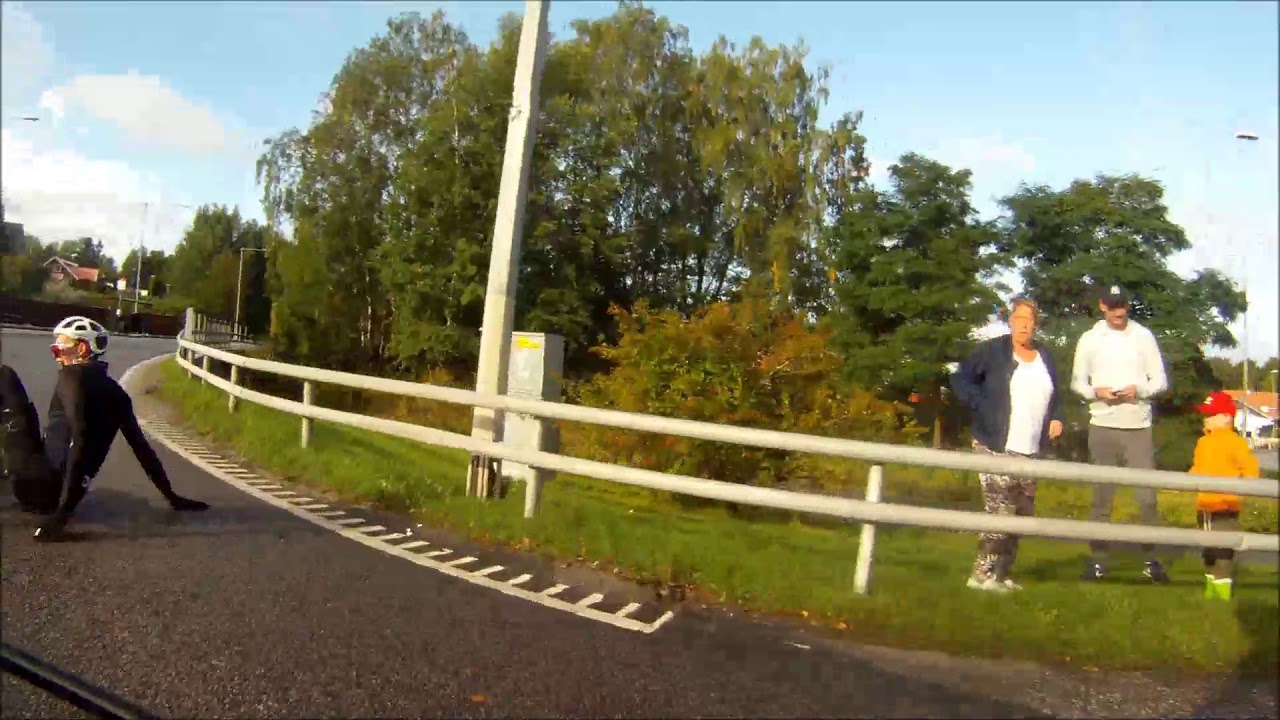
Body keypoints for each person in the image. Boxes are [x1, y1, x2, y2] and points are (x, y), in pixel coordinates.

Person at [25, 316, 209, 542]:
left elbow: (79, 438)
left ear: (82, 348)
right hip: (63, 491)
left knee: (6, 379)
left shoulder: (71, 376)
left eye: (59, 350)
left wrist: (61, 516)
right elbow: (142, 450)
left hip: (37, 485)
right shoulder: (118, 394)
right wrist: (172, 497)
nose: (57, 357)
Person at [951, 297, 1065, 592]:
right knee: (1001, 512)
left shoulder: (1045, 357)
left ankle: (1001, 575)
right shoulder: (993, 351)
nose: (1024, 324)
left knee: (1022, 515)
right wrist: (981, 405)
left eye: (1029, 320)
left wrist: (1057, 418)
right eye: (1019, 318)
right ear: (1010, 321)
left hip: (1031, 448)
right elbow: (961, 379)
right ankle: (980, 575)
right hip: (995, 444)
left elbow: (1057, 396)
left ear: (1036, 324)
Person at [1070, 285, 1170, 583]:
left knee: (1147, 499)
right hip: (1102, 424)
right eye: (1113, 305)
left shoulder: (1143, 336)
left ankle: (1152, 561)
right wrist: (1095, 392)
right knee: (1102, 497)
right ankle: (1098, 560)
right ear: (1102, 306)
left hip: (1138, 426)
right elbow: (1077, 382)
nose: (1119, 311)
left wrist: (1139, 390)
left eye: (1123, 305)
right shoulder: (1090, 339)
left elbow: (1161, 381)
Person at [1189, 391, 1260, 600]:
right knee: (1207, 548)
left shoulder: (1235, 442)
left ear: (1227, 418)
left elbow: (1250, 468)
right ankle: (1211, 586)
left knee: (1222, 548)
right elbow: (1197, 469)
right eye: (1205, 415)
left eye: (1211, 415)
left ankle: (1221, 589)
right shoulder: (1203, 442)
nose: (1206, 419)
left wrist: (1246, 484)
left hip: (1225, 504)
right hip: (1204, 504)